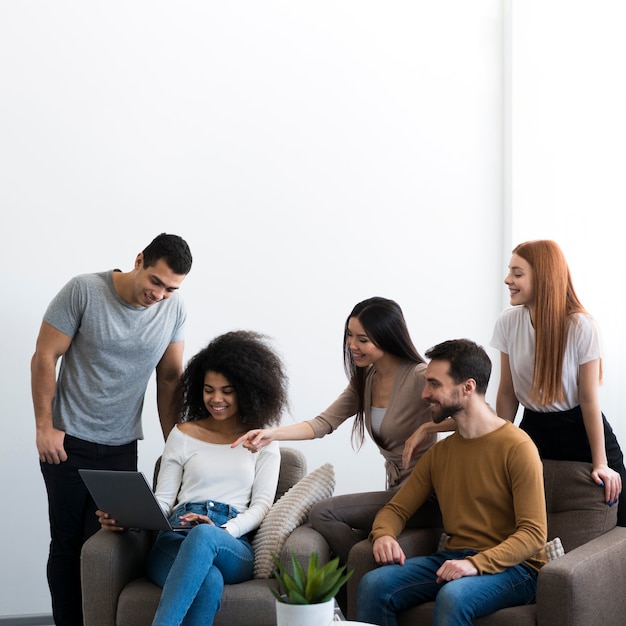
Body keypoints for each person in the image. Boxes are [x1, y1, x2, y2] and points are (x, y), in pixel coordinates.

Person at [31, 233, 193, 626]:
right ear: (139, 260)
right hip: (68, 442)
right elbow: (45, 356)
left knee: (107, 547)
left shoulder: (173, 310)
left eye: (170, 288)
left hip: (121, 447)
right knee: (68, 545)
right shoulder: (84, 290)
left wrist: (177, 444)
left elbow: (170, 379)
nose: (159, 294)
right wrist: (45, 427)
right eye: (155, 281)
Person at [233, 297, 448, 568]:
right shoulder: (366, 380)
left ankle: (356, 572)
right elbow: (322, 423)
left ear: (387, 338)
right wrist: (271, 434)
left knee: (323, 513)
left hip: (425, 495)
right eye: (349, 335)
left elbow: (477, 411)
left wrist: (429, 427)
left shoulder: (420, 376)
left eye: (362, 339)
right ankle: (361, 571)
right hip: (397, 492)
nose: (352, 345)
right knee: (328, 516)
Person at [97, 330, 288, 625]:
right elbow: (163, 501)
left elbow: (262, 506)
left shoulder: (262, 440)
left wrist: (223, 530)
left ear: (248, 390)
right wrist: (130, 517)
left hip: (230, 541)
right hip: (174, 536)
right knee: (208, 580)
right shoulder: (183, 434)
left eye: (227, 390)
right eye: (209, 389)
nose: (216, 398)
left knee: (204, 535)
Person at [356, 339, 548, 626]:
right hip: (454, 557)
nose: (424, 394)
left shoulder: (517, 447)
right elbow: (396, 509)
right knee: (374, 584)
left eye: (434, 384)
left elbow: (533, 534)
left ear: (468, 387)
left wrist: (475, 564)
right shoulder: (440, 454)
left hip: (516, 568)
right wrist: (383, 534)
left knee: (454, 596)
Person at [491, 239, 625, 525]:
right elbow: (507, 392)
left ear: (542, 276)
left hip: (579, 426)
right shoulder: (508, 321)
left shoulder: (581, 325)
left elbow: (589, 400)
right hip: (534, 428)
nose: (508, 280)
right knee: (525, 513)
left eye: (517, 273)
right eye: (509, 272)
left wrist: (600, 462)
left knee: (620, 508)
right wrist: (495, 446)